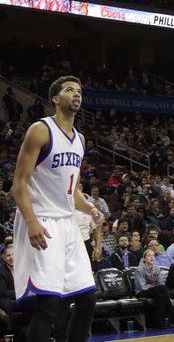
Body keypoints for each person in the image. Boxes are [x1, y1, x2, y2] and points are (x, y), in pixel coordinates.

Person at [11, 75, 103, 342]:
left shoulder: (80, 140)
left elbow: (71, 192)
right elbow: (18, 184)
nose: (77, 94)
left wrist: (91, 209)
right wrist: (31, 222)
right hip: (41, 219)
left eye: (79, 91)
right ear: (55, 98)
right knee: (49, 303)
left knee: (87, 299)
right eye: (69, 90)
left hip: (67, 222)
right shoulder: (40, 130)